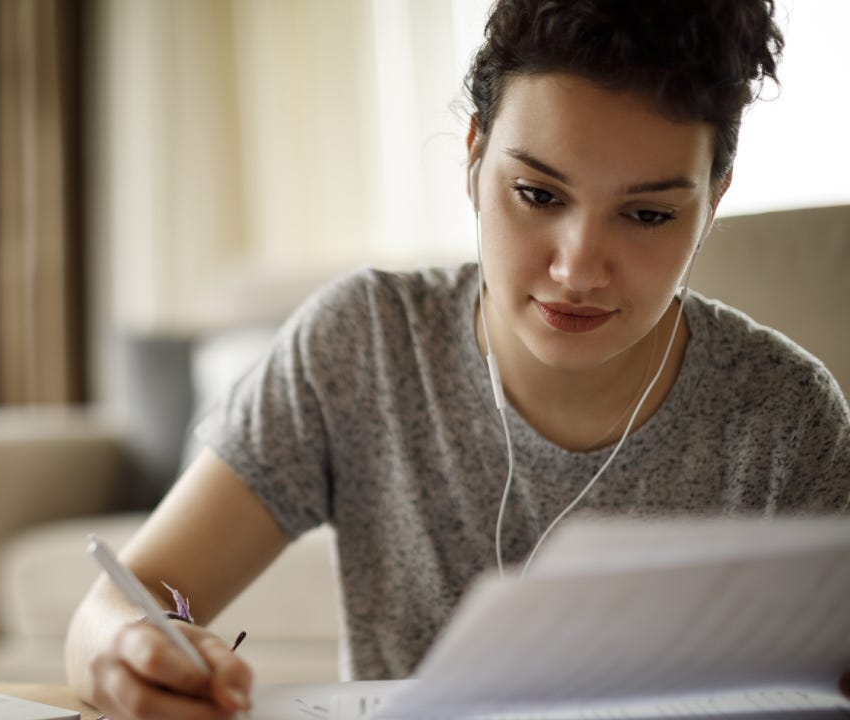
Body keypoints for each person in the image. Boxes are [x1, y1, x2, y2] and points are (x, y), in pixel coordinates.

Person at [65, 1, 850, 718]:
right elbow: (118, 602)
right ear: (474, 158)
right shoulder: (364, 343)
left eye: (647, 214)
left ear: (712, 204)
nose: (578, 267)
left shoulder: (787, 419)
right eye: (539, 195)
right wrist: (129, 652)